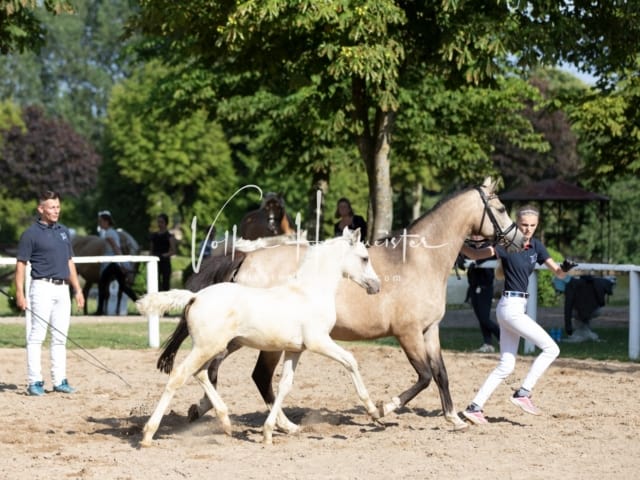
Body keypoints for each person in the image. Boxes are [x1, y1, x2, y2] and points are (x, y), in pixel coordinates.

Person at [459, 205, 569, 425]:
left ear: (537, 226)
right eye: (524, 225)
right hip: (510, 308)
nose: (528, 229)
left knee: (506, 365)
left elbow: (557, 272)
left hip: (514, 308)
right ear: (516, 224)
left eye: (532, 226)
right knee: (551, 348)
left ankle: (475, 407)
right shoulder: (506, 245)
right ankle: (523, 392)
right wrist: (457, 242)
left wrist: (565, 268)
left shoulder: (536, 246)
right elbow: (475, 254)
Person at [15, 190, 85, 396]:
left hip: (63, 289)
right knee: (37, 336)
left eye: (58, 207)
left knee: (60, 337)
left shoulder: (63, 232)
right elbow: (21, 265)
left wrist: (77, 289)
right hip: (41, 287)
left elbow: (69, 262)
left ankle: (59, 380)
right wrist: (20, 293)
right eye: (52, 207)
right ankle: (34, 381)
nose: (57, 211)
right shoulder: (30, 234)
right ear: (41, 209)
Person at [95, 211, 138, 315]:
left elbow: (115, 248)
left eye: (101, 221)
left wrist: (122, 263)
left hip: (111, 263)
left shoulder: (109, 233)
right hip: (113, 262)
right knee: (122, 286)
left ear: (106, 221)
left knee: (102, 284)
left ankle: (100, 310)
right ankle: (139, 303)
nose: (99, 224)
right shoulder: (112, 232)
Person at [463, 235, 500, 353]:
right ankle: (487, 343)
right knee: (480, 318)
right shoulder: (470, 248)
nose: (476, 237)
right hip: (473, 287)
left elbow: (488, 257)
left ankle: (502, 336)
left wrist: (476, 260)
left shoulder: (489, 248)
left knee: (484, 318)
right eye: (474, 235)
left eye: (479, 235)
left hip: (485, 288)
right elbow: (463, 257)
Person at [149, 213, 177, 291]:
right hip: (155, 261)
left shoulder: (169, 236)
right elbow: (151, 250)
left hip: (165, 261)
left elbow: (173, 251)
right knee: (155, 282)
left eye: (161, 222)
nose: (159, 224)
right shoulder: (154, 236)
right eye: (158, 222)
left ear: (166, 223)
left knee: (165, 283)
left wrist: (165, 255)